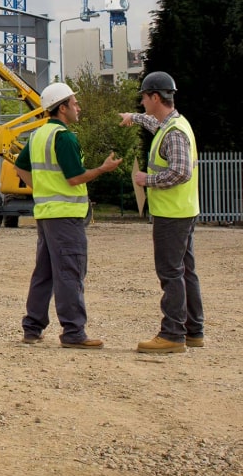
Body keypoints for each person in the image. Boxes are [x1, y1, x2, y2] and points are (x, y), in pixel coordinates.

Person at [15, 82, 122, 349]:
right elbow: (75, 178)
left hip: (47, 214)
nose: (78, 108)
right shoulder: (64, 137)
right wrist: (103, 169)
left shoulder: (39, 135)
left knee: (45, 273)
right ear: (62, 108)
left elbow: (20, 168)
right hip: (66, 217)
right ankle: (73, 332)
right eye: (74, 103)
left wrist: (42, 188)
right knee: (70, 272)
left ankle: (32, 327)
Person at [119, 71, 203, 354]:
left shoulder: (175, 133)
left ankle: (172, 334)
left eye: (143, 97)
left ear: (155, 97)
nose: (142, 102)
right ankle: (193, 331)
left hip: (172, 214)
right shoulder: (172, 125)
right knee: (185, 271)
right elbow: (154, 124)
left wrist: (147, 180)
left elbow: (179, 171)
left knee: (170, 272)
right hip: (183, 210)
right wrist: (134, 117)